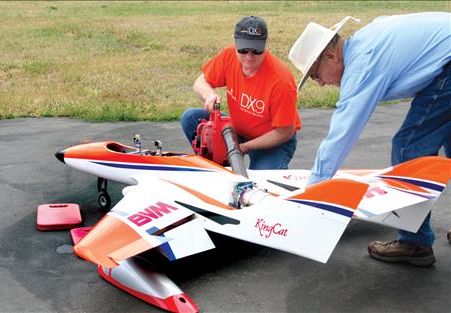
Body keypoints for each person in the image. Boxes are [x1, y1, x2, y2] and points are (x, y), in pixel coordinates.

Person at [289, 13, 450, 266]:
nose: (320, 84)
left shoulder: (362, 66)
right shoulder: (364, 42)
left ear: (330, 56)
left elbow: (341, 135)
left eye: (315, 75)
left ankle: (414, 243)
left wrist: (313, 192)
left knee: (408, 147)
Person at [181, 16, 301, 170]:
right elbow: (200, 82)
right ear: (235, 41)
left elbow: (285, 132)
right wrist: (209, 95)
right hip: (238, 128)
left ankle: (234, 161)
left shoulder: (281, 81)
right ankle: (218, 165)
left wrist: (243, 147)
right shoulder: (229, 55)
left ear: (266, 43)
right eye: (243, 49)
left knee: (263, 183)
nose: (249, 57)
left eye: (256, 50)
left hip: (273, 140)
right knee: (191, 118)